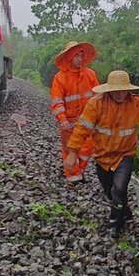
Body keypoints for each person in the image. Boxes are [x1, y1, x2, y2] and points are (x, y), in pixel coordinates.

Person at [65, 70, 139, 238]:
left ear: (128, 90)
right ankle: (124, 211)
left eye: (122, 90)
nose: (119, 94)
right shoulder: (96, 104)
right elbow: (82, 129)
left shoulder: (135, 104)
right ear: (108, 90)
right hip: (102, 157)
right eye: (115, 90)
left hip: (125, 155)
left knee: (119, 188)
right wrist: (73, 153)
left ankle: (114, 224)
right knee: (110, 191)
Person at [50, 41, 99, 184]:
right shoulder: (60, 78)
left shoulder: (90, 75)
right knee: (69, 149)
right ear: (69, 57)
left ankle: (79, 172)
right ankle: (72, 177)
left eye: (81, 55)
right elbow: (57, 101)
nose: (80, 59)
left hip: (87, 123)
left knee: (87, 148)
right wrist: (62, 119)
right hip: (69, 123)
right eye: (76, 56)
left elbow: (98, 97)